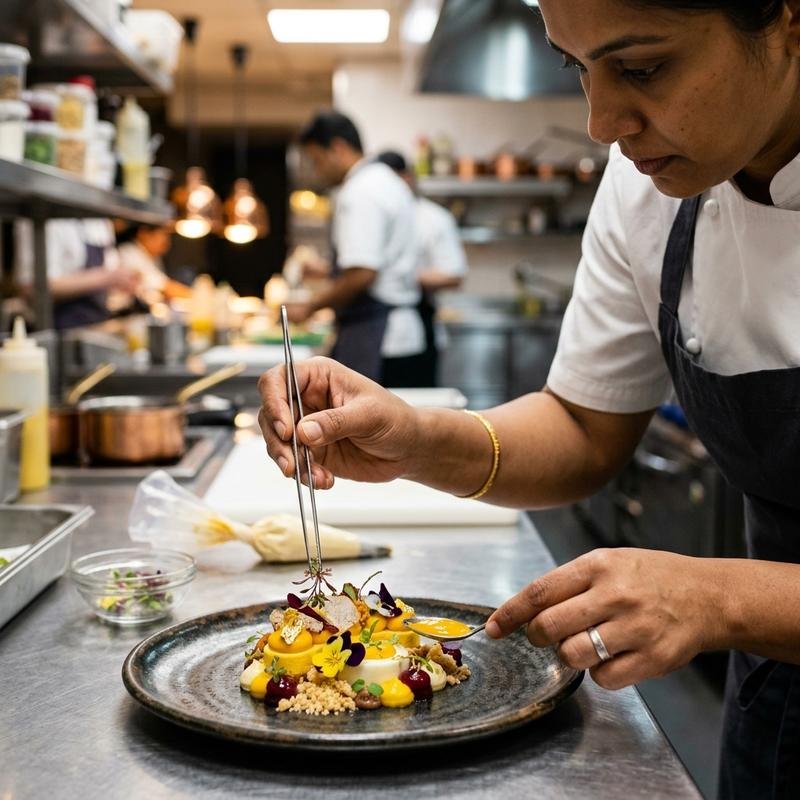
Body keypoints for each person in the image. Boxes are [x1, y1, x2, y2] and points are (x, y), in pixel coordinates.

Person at [259, 3, 800, 797]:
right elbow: (583, 426)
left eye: (643, 68)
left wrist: (723, 596)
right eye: (576, 69)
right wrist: (413, 437)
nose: (601, 123)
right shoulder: (649, 184)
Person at [290, 111, 426, 387]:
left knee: (373, 428)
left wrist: (310, 307)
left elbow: (363, 272)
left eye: (317, 160)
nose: (317, 171)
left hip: (379, 336)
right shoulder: (385, 181)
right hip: (396, 334)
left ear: (338, 148)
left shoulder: (360, 191)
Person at [376, 150, 468, 387]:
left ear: (406, 178)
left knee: (414, 407)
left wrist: (399, 278)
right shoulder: (377, 216)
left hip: (419, 322)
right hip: (374, 332)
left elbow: (454, 275)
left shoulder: (434, 218)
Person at [14, 218, 140, 329]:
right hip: (57, 328)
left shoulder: (99, 220)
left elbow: (111, 265)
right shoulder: (46, 217)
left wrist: (124, 280)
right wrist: (107, 278)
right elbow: (31, 287)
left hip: (98, 324)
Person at [115, 223, 191, 306]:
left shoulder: (153, 256)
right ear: (143, 234)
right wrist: (199, 298)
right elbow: (166, 287)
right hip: (117, 312)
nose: (167, 242)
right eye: (164, 234)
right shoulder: (129, 252)